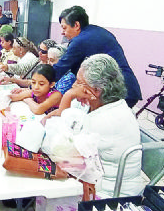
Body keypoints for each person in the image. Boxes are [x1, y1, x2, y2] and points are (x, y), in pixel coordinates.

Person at [44, 53, 142, 197]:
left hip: (110, 195)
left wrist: (68, 95)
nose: (74, 86)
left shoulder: (107, 119)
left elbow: (60, 152)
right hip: (94, 181)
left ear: (96, 90)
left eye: (79, 83)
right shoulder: (100, 105)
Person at [53, 5, 142, 108]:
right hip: (126, 88)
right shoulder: (97, 32)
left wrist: (38, 81)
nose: (62, 32)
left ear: (76, 25)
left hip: (118, 91)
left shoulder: (80, 40)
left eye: (64, 28)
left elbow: (60, 68)